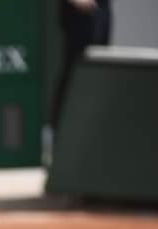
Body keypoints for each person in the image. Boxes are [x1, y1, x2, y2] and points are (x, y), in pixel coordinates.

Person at [51, 0, 112, 132]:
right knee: (73, 74)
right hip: (77, 16)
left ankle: (95, 130)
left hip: (100, 10)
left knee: (99, 72)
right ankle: (62, 133)